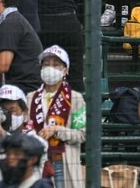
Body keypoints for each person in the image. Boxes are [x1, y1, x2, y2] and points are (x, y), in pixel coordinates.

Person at [24, 46, 86, 188]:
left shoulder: (75, 98)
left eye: (56, 64)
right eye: (46, 64)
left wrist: (57, 130)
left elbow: (83, 134)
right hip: (37, 164)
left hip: (65, 163)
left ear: (65, 70)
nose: (50, 68)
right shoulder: (30, 98)